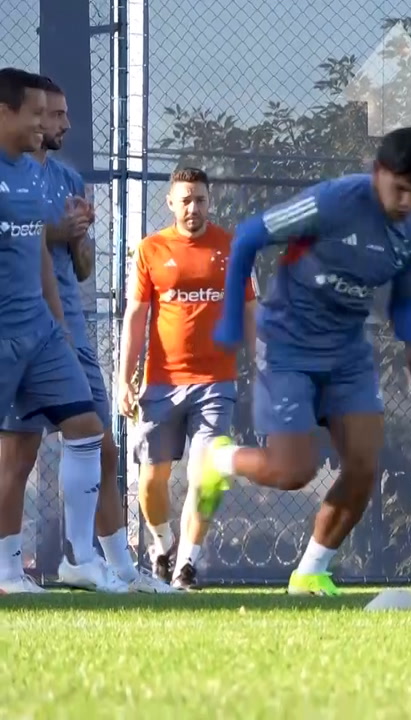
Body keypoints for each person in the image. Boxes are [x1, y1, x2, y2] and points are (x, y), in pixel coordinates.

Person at [199, 126, 411, 596]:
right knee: (293, 472)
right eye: (400, 188)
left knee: (364, 464)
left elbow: (402, 307)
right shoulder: (333, 202)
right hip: (287, 344)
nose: (408, 202)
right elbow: (248, 236)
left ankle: (310, 572)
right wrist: (232, 321)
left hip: (348, 354)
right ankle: (216, 459)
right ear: (378, 173)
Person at [0, 76, 158, 593]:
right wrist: (57, 233)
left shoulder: (60, 179)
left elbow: (57, 262)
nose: (57, 123)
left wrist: (80, 240)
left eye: (59, 113)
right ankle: (11, 568)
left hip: (54, 330)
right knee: (17, 455)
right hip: (13, 332)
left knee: (95, 437)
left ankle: (100, 564)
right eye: (45, 112)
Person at [117, 166, 256, 591]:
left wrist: (266, 367)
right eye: (186, 199)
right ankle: (162, 546)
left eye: (200, 199)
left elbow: (251, 312)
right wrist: (125, 379)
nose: (193, 207)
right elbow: (136, 316)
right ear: (171, 202)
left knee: (205, 475)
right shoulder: (150, 249)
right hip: (160, 383)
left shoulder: (233, 248)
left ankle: (187, 566)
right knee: (151, 481)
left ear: (209, 201)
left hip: (217, 383)